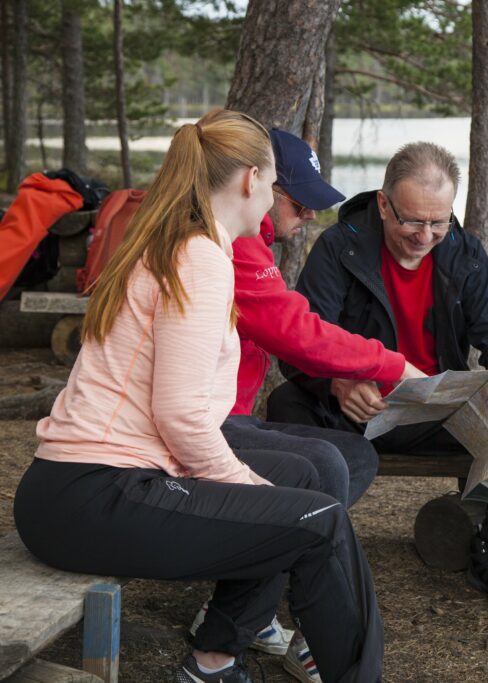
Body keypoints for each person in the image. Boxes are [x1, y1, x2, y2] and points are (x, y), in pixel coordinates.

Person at [13, 109, 383, 683]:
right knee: (319, 521)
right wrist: (247, 486)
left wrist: (256, 489)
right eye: (271, 182)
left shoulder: (176, 244)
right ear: (248, 180)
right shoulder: (199, 258)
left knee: (303, 485)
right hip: (93, 494)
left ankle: (214, 662)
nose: (273, 199)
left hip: (74, 489)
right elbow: (180, 416)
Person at [267, 141, 488, 616]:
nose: (425, 236)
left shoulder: (464, 251)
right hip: (358, 415)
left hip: (440, 414)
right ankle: (302, 546)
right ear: (383, 204)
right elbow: (299, 345)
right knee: (286, 404)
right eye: (412, 221)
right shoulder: (340, 247)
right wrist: (334, 384)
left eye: (437, 222)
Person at [190, 128, 423, 681]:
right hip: (202, 422)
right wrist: (389, 364)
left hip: (226, 414)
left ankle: (251, 607)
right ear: (258, 185)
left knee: (349, 459)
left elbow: (291, 326)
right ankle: (240, 629)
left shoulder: (245, 242)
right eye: (300, 200)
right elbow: (295, 331)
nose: (311, 216)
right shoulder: (231, 246)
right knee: (315, 471)